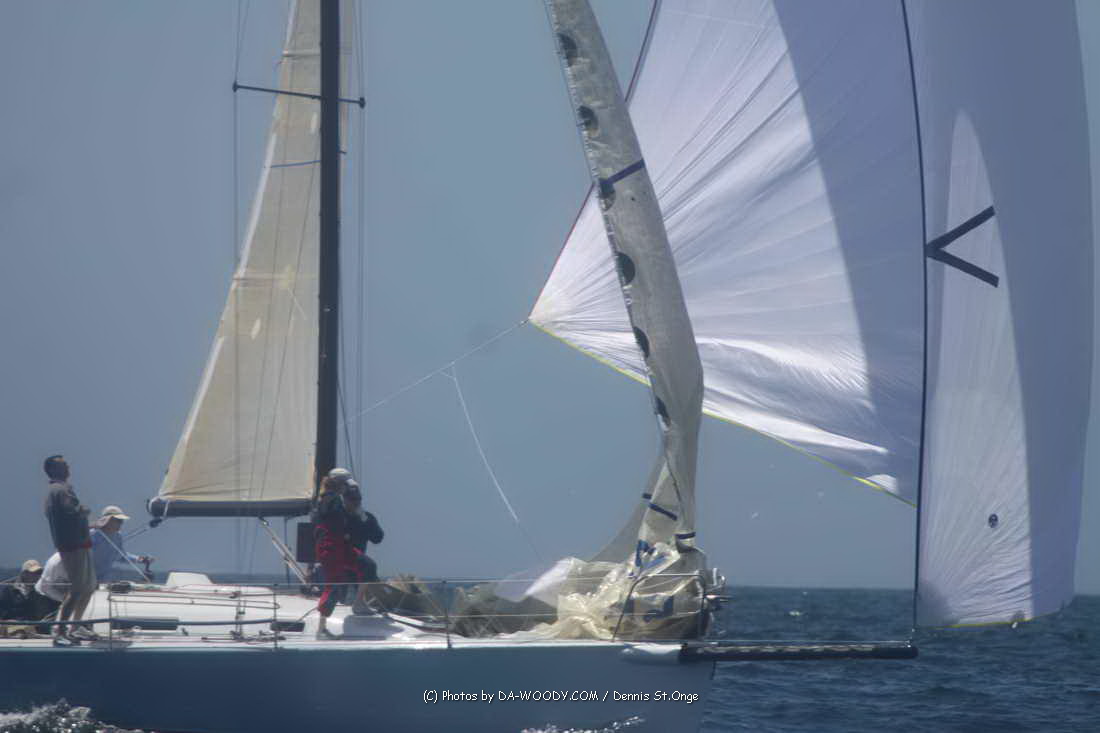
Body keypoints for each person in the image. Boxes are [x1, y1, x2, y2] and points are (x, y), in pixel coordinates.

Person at [42, 454, 97, 646]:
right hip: (73, 546)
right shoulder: (61, 489)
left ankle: (76, 626)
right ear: (53, 470)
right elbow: (71, 511)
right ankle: (61, 630)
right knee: (77, 589)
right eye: (63, 465)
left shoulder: (56, 490)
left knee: (89, 586)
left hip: (79, 544)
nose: (68, 468)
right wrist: (84, 510)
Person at [312, 468, 360, 638]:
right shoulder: (331, 499)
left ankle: (361, 602)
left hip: (337, 546)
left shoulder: (330, 499)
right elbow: (329, 518)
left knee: (365, 566)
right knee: (332, 586)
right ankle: (321, 629)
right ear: (339, 484)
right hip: (330, 547)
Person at [90, 505, 153, 582]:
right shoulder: (92, 535)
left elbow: (121, 555)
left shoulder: (118, 536)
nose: (121, 523)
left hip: (103, 580)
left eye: (122, 521)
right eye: (119, 521)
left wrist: (139, 559)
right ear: (108, 520)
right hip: (86, 580)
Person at [0, 559, 59, 634]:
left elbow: (54, 608)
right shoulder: (9, 589)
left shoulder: (44, 589)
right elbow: (2, 609)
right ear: (24, 574)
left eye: (39, 573)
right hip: (13, 626)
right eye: (34, 573)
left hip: (37, 627)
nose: (38, 575)